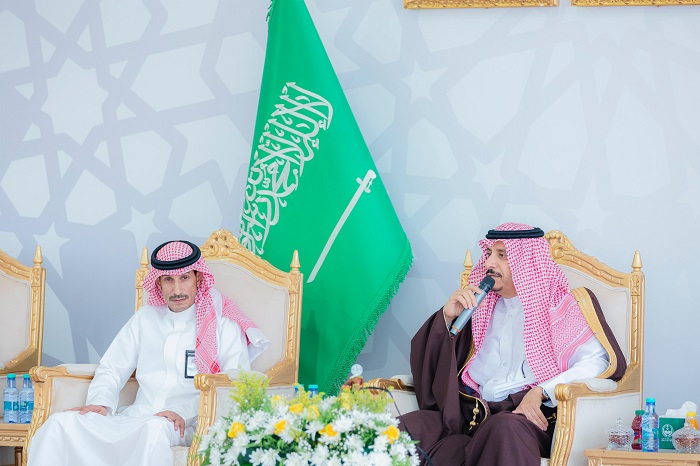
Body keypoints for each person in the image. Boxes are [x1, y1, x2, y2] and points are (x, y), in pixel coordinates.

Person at [28, 240, 270, 466]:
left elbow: (233, 381)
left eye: (184, 278)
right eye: (168, 280)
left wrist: (184, 413)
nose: (177, 289)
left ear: (198, 278)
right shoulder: (146, 318)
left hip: (187, 424)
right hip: (137, 415)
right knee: (60, 424)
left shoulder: (222, 324)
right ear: (158, 283)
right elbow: (112, 366)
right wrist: (100, 402)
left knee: (154, 430)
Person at [401, 223, 626, 466]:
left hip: (523, 416)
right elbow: (435, 367)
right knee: (401, 429)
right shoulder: (478, 307)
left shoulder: (561, 306)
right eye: (489, 254)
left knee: (504, 428)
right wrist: (446, 318)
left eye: (502, 255)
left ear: (527, 262)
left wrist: (542, 391)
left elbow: (597, 362)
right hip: (469, 415)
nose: (489, 263)